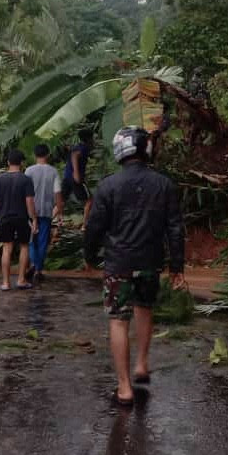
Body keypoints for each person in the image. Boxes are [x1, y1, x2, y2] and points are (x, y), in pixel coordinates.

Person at [84, 127, 186, 407]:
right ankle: (142, 364)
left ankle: (125, 386)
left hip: (119, 263)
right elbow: (175, 228)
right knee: (145, 308)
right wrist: (177, 266)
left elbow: (94, 226)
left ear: (121, 150)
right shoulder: (164, 185)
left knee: (118, 320)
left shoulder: (108, 186)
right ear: (146, 150)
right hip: (150, 263)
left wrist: (90, 256)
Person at [0, 149, 38, 291]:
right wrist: (34, 219)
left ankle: (6, 283)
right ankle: (21, 280)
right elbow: (29, 202)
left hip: (5, 217)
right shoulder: (26, 179)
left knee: (7, 248)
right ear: (22, 163)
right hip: (22, 217)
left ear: (8, 162)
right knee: (24, 246)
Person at [25, 144, 64, 285]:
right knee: (42, 241)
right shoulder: (53, 172)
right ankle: (38, 269)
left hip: (30, 211)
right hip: (47, 211)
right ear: (48, 155)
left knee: (31, 241)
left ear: (35, 155)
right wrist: (59, 209)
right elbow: (57, 193)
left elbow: (25, 192)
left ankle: (34, 265)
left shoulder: (28, 171)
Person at [62, 128, 95, 229]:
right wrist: (76, 173)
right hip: (75, 177)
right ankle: (85, 225)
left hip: (67, 176)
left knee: (62, 200)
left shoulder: (78, 146)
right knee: (90, 200)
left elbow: (71, 152)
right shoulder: (83, 148)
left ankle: (49, 220)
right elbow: (74, 155)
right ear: (89, 138)